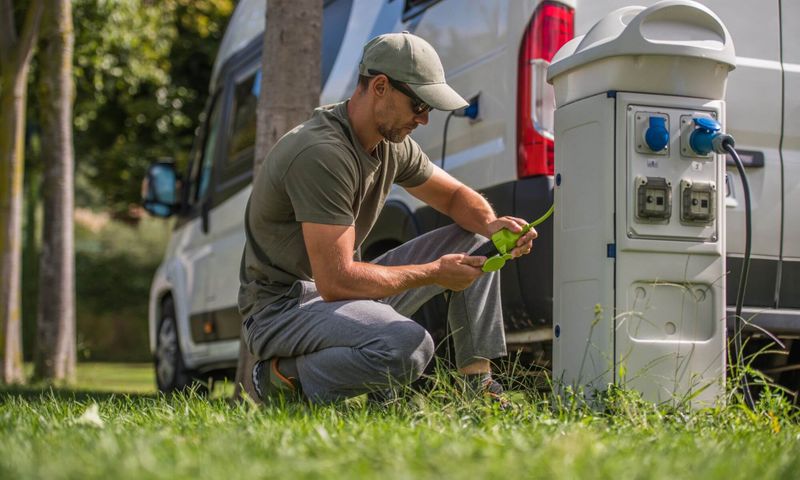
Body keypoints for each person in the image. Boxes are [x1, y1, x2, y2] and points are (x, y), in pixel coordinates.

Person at [238, 32, 538, 404]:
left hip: (335, 299)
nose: (425, 119)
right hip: (283, 309)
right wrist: (435, 273)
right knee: (409, 346)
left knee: (476, 239)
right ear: (380, 86)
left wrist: (492, 225)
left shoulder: (391, 145)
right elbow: (335, 281)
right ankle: (280, 378)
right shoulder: (322, 154)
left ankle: (478, 393)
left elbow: (456, 196)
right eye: (418, 104)